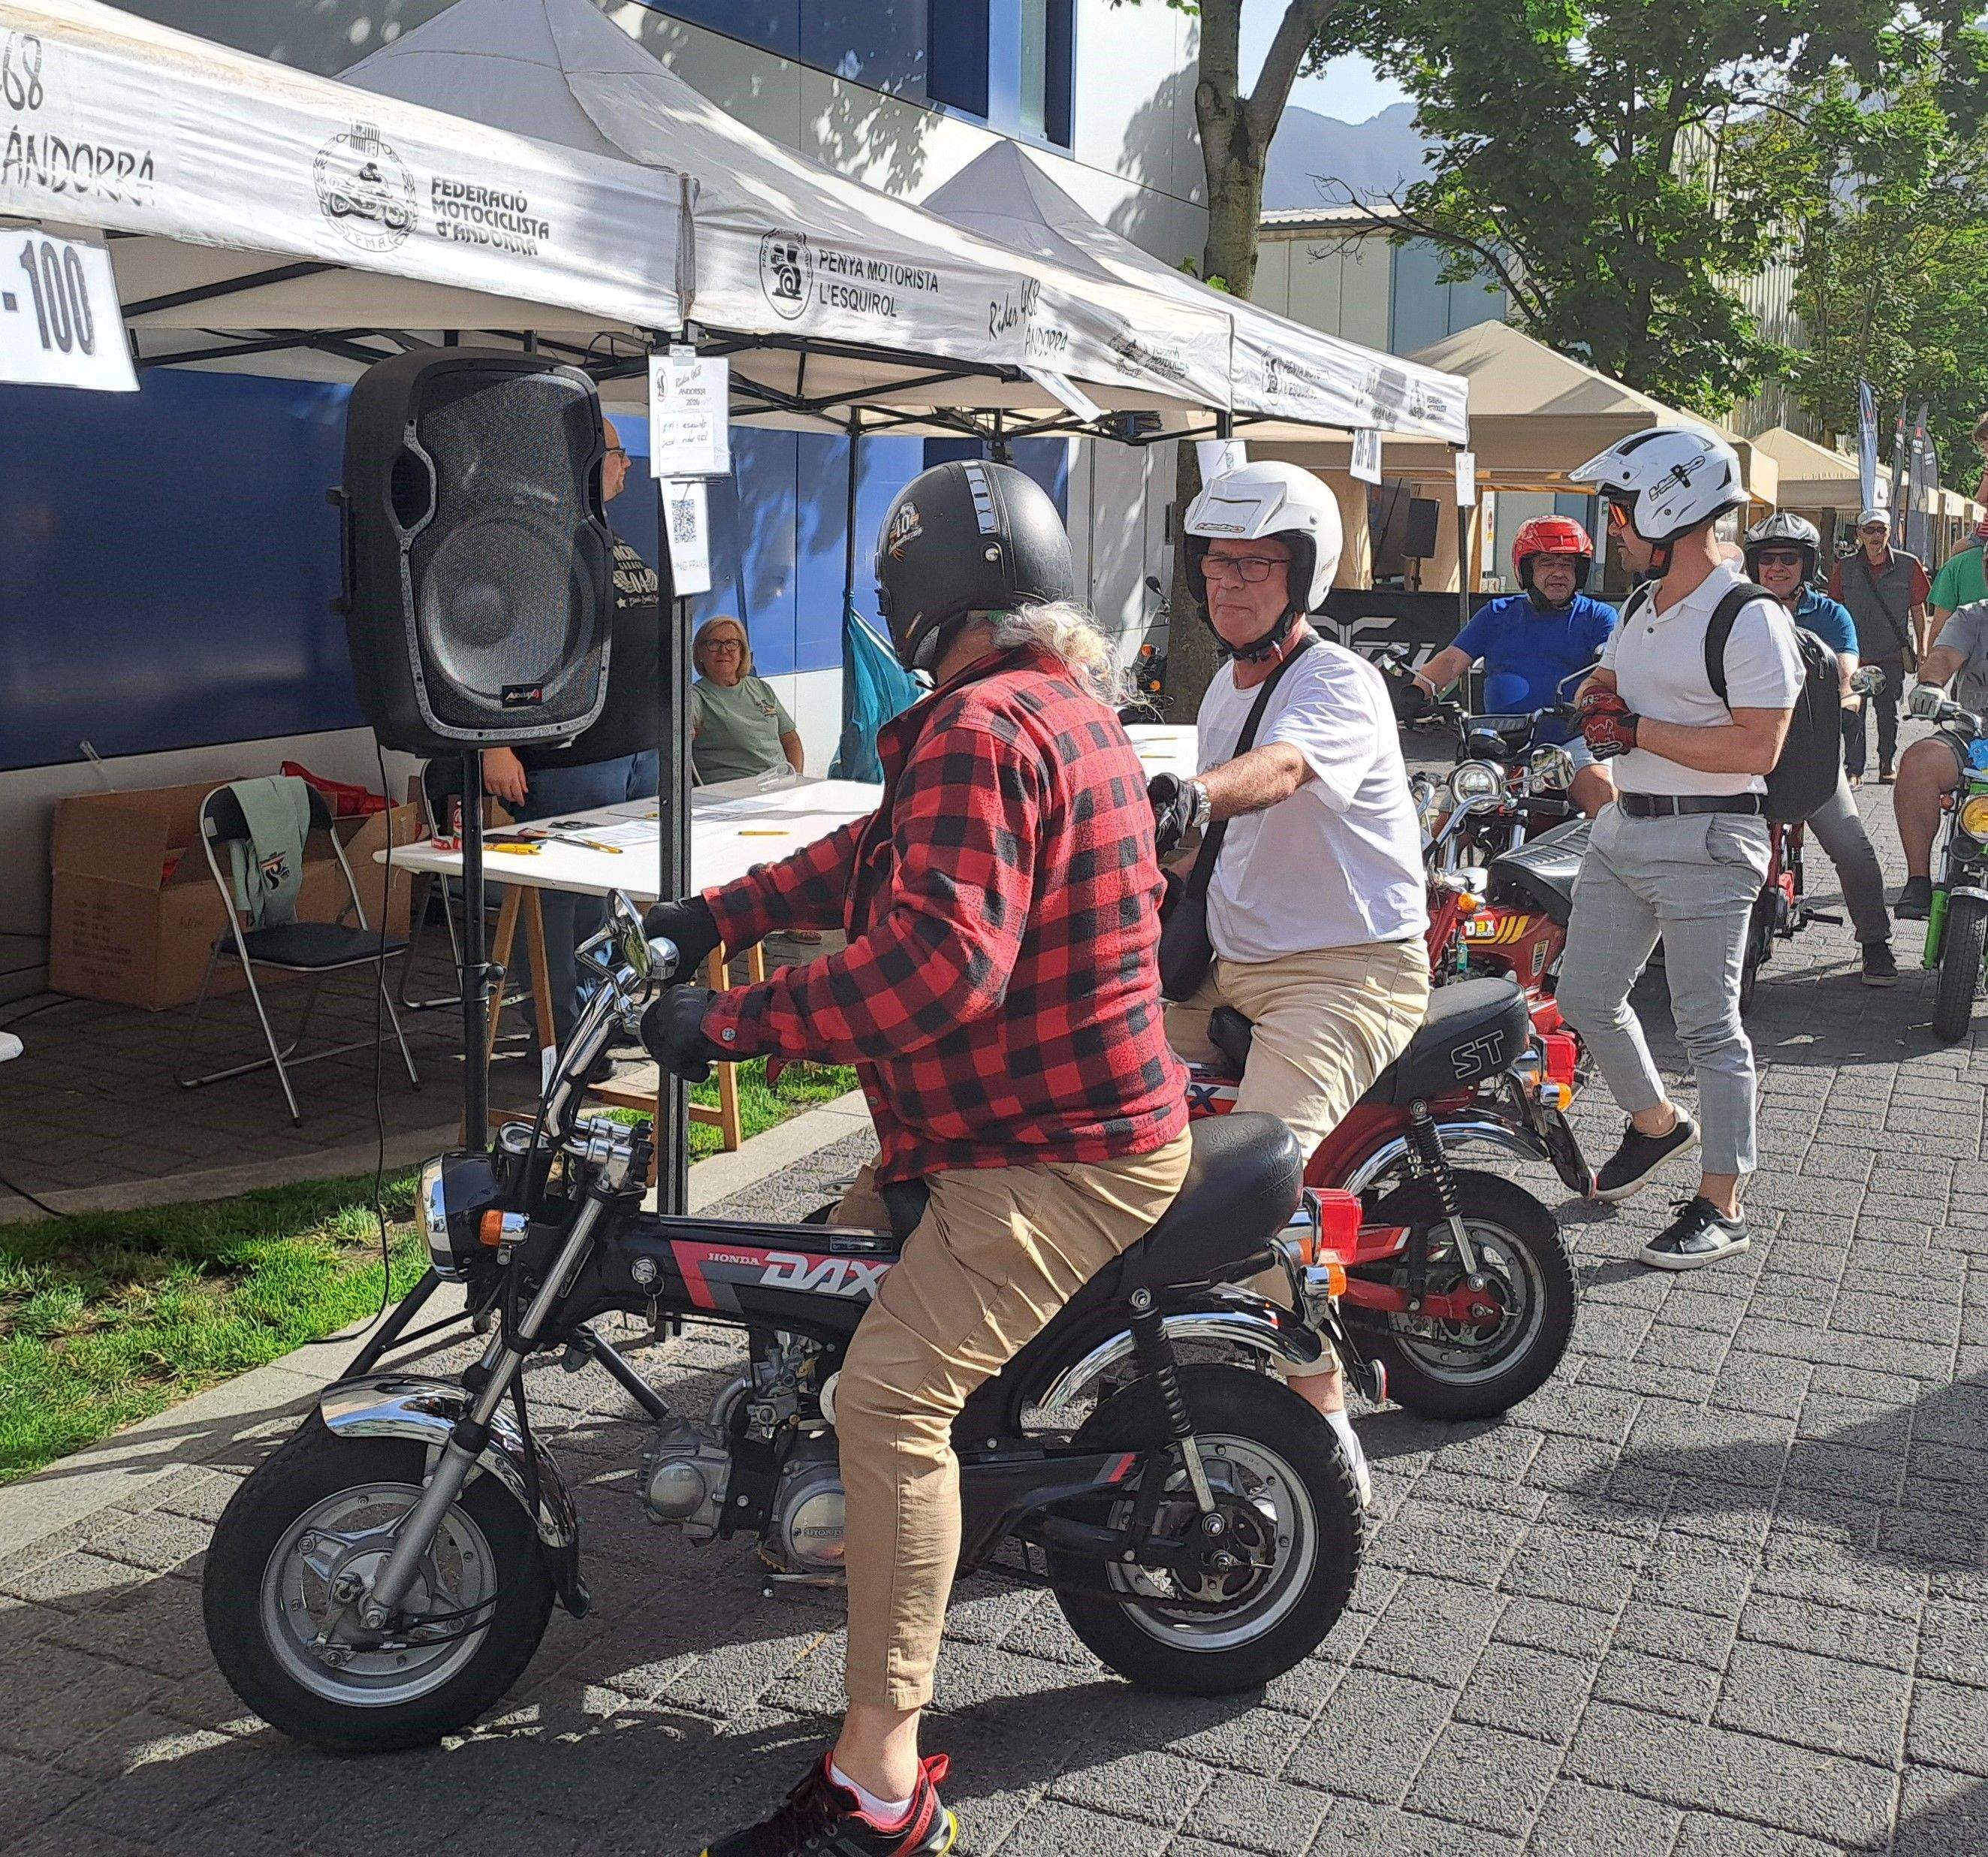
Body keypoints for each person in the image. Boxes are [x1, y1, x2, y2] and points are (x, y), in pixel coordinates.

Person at [643, 459, 1192, 1857]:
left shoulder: (979, 728)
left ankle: (881, 1783)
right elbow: (867, 861)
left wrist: (734, 1022)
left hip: (1044, 1151)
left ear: (921, 590)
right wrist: (707, 918)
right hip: (1016, 1127)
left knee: (888, 1400)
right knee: (802, 1285)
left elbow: (934, 967)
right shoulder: (1051, 704)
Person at [1148, 460, 1429, 1496]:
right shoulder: (1225, 684)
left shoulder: (1333, 683)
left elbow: (1278, 777)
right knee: (1094, 1120)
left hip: (1344, 970)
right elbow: (1207, 846)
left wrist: (1184, 798)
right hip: (1228, 964)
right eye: (1216, 564)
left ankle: (1320, 1423)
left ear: (1300, 574)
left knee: (1246, 1195)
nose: (1231, 583)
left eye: (1256, 565)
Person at [1556, 428, 1803, 1270]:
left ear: (1665, 510)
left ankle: (1721, 1200)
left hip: (1711, 834)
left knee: (1709, 1027)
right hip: (1626, 825)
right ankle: (1657, 1125)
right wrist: (1599, 694)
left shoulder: (1750, 618)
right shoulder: (1640, 605)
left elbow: (1756, 749)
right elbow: (1618, 688)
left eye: (1619, 514)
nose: (1613, 532)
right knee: (1583, 995)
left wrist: (1636, 727)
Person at [481, 425, 659, 1047]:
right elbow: (485, 651)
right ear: (583, 463)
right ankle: (562, 1034)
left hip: (634, 754)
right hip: (570, 760)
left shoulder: (607, 538)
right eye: (616, 454)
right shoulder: (529, 541)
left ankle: (604, 1015)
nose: (627, 465)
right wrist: (492, 745)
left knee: (613, 902)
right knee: (562, 909)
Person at [1743, 513, 1895, 984]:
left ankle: (1875, 941)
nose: (1777, 568)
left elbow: (1847, 668)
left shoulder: (1830, 614)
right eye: (1767, 559)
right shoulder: (1737, 610)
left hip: (1811, 755)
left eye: (1789, 559)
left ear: (1807, 565)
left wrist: (1849, 695)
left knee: (1853, 850)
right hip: (1745, 755)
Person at [1406, 514, 1619, 814]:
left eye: (1567, 564)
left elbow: (1608, 666)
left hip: (1570, 741)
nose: (1558, 573)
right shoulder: (1498, 613)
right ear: (1526, 569)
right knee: (1452, 821)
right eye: (1547, 563)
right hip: (1498, 743)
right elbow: (1453, 660)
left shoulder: (1599, 617)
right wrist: (1418, 691)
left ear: (1579, 571)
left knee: (1603, 795)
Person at [1891, 593, 1988, 919]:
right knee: (1919, 762)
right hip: (1974, 737)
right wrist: (1932, 683)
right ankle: (1918, 879)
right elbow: (1944, 656)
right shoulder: (1973, 617)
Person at [1829, 507, 1929, 784]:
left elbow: (1918, 609)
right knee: (1854, 715)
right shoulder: (1846, 568)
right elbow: (1834, 609)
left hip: (1891, 656)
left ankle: (1887, 763)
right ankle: (1855, 770)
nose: (1876, 536)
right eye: (1870, 530)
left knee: (1889, 715)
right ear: (1859, 534)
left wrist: (1922, 649)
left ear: (1890, 533)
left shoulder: (1908, 565)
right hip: (1855, 657)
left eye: (1881, 530)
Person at [689, 614, 806, 785]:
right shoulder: (695, 696)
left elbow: (791, 740)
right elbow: (682, 729)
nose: (724, 651)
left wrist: (797, 779)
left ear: (742, 653)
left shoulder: (761, 688)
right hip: (733, 794)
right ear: (699, 653)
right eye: (713, 644)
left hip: (781, 786)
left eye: (731, 644)